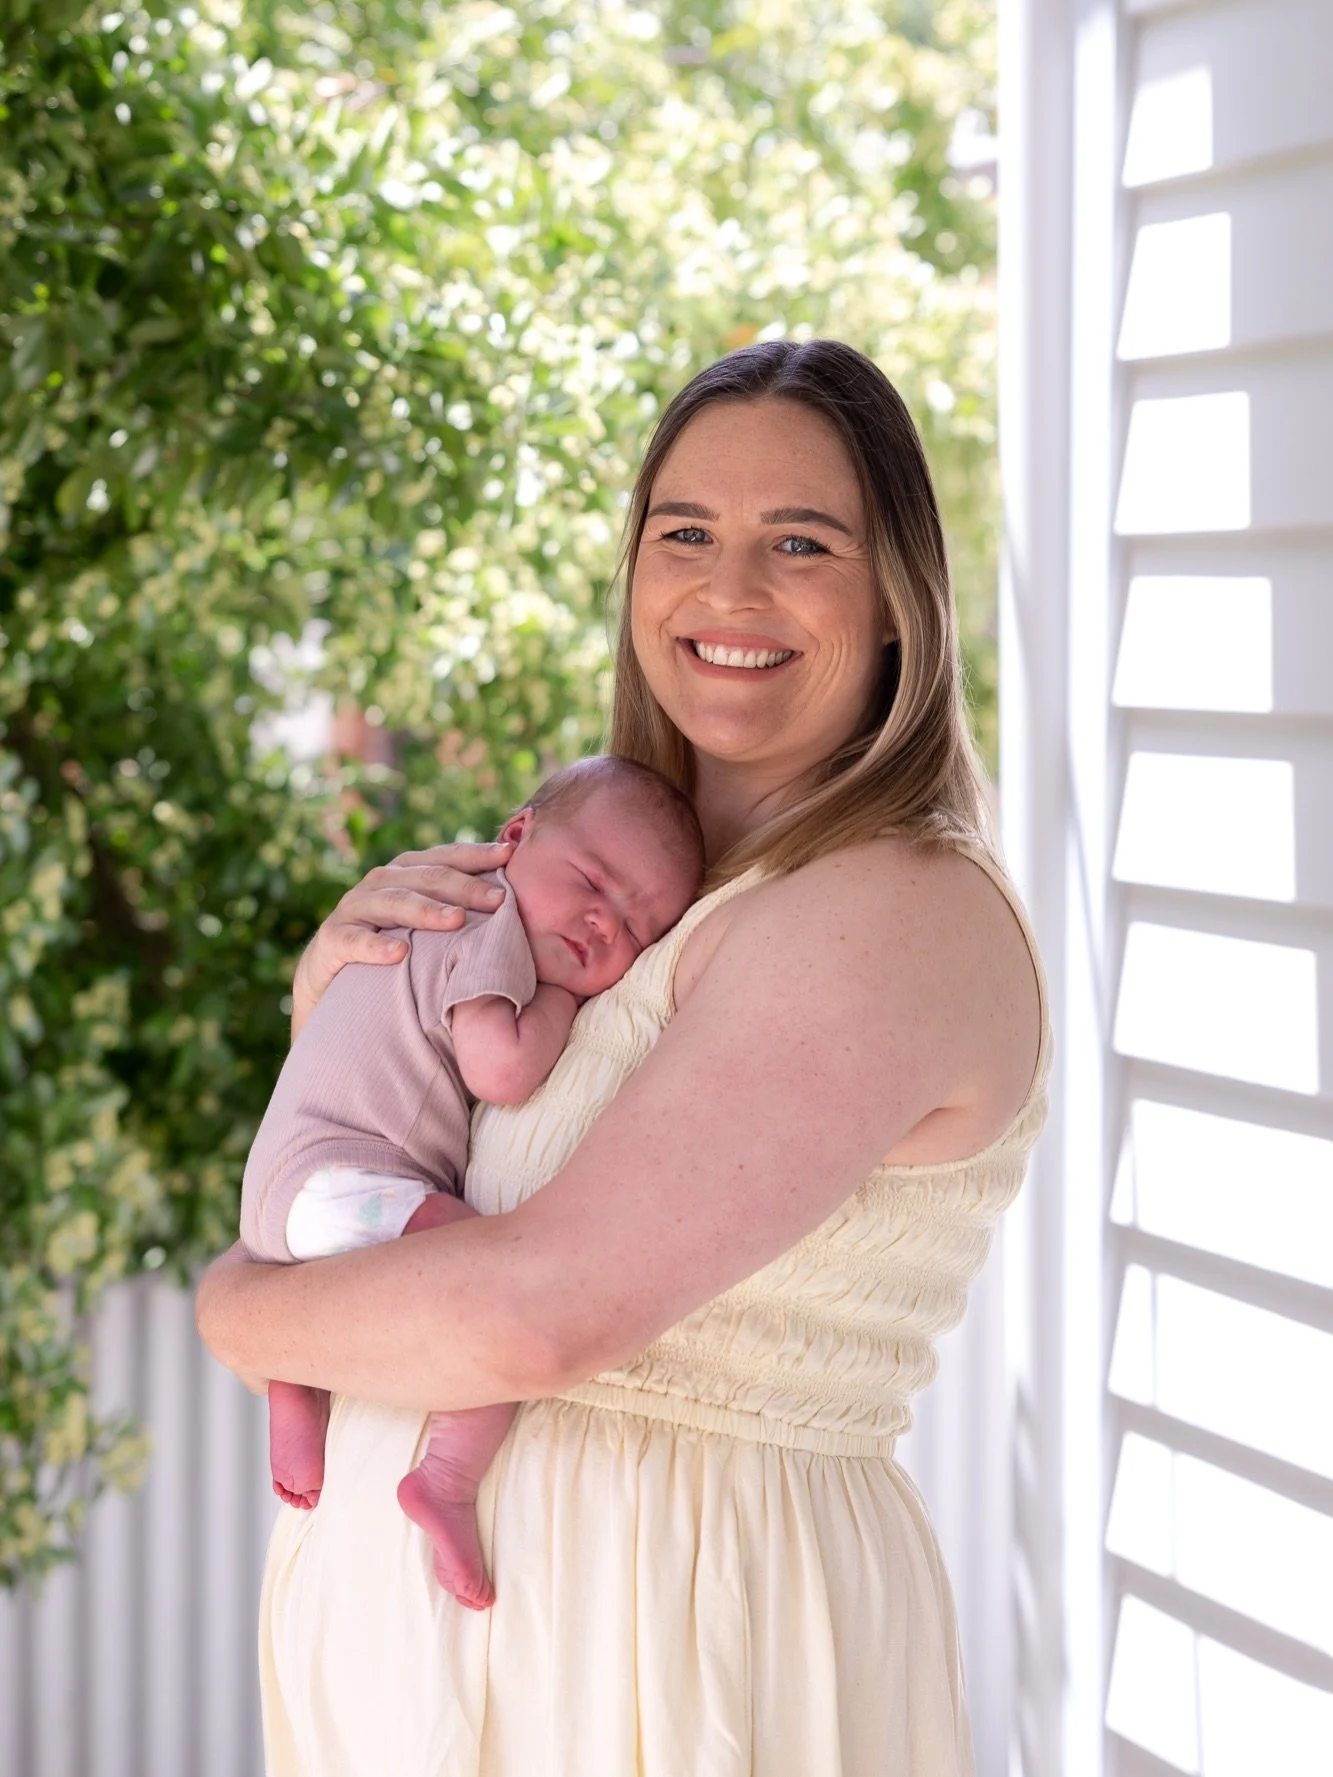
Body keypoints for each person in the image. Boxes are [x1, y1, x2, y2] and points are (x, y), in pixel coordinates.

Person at [197, 338, 1049, 1777]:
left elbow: (530, 1315)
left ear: (900, 599)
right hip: (437, 1697)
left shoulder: (888, 905)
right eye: (686, 534)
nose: (730, 591)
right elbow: (405, 1153)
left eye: (801, 542)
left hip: (660, 1666)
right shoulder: (615, 898)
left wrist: (237, 1301)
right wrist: (338, 1006)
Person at [239, 756, 704, 1610]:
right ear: (515, 835)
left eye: (640, 929)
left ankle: (294, 1386)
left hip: (289, 1196)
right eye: (594, 882)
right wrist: (560, 1005)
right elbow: (500, 1068)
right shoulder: (484, 922)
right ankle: (447, 1476)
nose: (605, 923)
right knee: (472, 1263)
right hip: (334, 1177)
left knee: (384, 1267)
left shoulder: (434, 917)